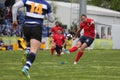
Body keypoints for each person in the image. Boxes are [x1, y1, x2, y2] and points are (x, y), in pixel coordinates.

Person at [12, 0, 54, 79]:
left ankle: (27, 50)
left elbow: (14, 6)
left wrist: (14, 20)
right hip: (36, 27)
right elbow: (52, 19)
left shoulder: (28, 0)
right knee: (34, 50)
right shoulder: (46, 4)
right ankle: (26, 68)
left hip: (26, 26)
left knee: (30, 44)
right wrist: (45, 14)